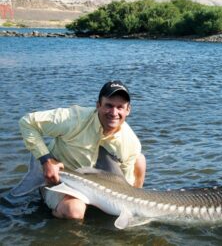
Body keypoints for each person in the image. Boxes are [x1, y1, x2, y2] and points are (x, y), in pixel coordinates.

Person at [18, 80, 147, 219]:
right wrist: (46, 160)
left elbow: (123, 183)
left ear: (128, 110)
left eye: (120, 107)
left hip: (97, 184)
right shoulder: (74, 119)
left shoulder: (130, 142)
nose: (114, 112)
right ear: (98, 105)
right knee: (74, 210)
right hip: (60, 179)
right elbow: (27, 122)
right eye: (108, 105)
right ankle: (52, 204)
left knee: (140, 160)